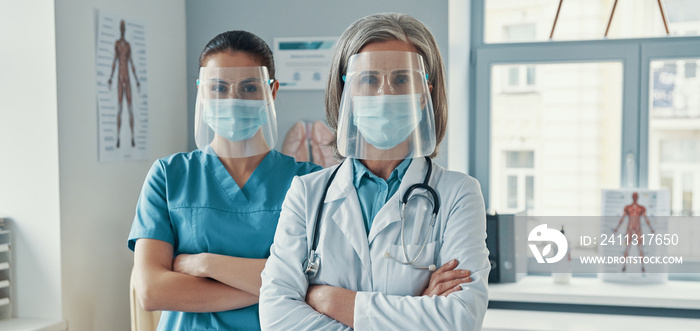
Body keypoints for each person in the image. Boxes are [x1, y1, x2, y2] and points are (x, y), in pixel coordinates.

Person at [259, 13, 490, 330]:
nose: (385, 94)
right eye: (368, 80)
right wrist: (419, 308)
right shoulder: (306, 193)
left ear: (425, 95)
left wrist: (329, 300)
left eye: (402, 79)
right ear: (346, 93)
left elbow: (459, 319)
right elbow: (277, 318)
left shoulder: (458, 194)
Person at [127, 30, 322, 330]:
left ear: (272, 91)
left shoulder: (309, 181)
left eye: (248, 88)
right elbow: (152, 291)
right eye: (218, 88)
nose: (233, 99)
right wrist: (278, 286)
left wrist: (204, 263)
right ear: (202, 92)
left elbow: (321, 285)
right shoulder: (169, 176)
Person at [108, 19, 140, 148]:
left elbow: (131, 62)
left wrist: (137, 80)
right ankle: (118, 138)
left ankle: (132, 137)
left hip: (127, 77)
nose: (122, 28)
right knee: (120, 108)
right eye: (120, 26)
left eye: (123, 26)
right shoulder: (117, 44)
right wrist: (110, 77)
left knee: (131, 109)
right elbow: (114, 61)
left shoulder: (127, 45)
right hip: (119, 79)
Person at [613, 192, 655, 272]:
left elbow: (646, 219)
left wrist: (651, 228)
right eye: (634, 196)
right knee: (627, 247)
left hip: (638, 229)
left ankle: (643, 266)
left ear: (637, 197)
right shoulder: (628, 208)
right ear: (632, 197)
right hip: (630, 228)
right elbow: (623, 218)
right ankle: (624, 266)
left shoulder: (641, 208)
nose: (635, 197)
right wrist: (617, 228)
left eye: (636, 196)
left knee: (640, 248)